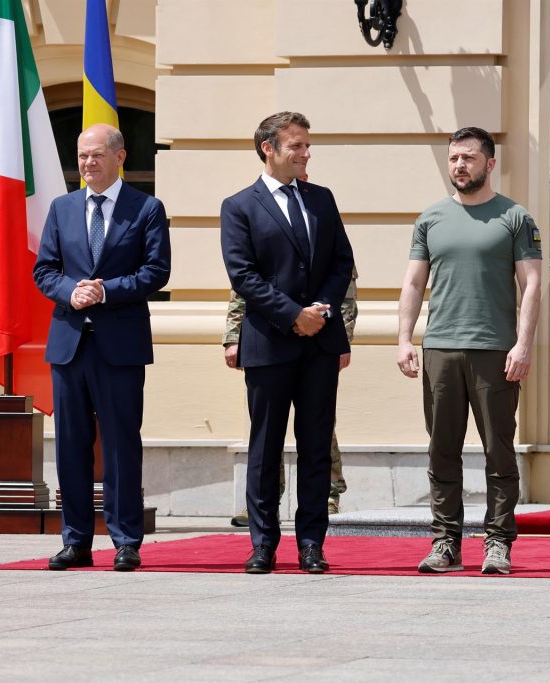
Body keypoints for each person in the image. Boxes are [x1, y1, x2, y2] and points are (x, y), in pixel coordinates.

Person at [397, 126, 542, 575]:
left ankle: (498, 542)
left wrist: (523, 344)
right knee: (442, 449)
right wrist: (404, 338)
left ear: (490, 163)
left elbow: (533, 283)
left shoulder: (515, 217)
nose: (460, 165)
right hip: (440, 348)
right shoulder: (431, 218)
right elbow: (414, 282)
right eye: (454, 158)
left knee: (498, 450)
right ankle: (445, 543)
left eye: (469, 158)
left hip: (495, 352)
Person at [33, 124, 171, 572]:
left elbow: (156, 272)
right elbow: (45, 270)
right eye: (82, 156)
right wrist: (71, 291)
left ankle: (126, 540)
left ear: (119, 157)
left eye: (95, 156)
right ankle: (75, 540)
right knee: (71, 446)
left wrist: (105, 291)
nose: (87, 164)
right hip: (70, 345)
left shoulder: (146, 208)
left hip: (120, 346)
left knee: (120, 446)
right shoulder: (63, 208)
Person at [220, 111, 354, 574]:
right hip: (269, 343)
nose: (305, 152)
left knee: (315, 445)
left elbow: (341, 262)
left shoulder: (322, 198)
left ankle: (312, 543)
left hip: (319, 340)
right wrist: (291, 315)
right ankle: (263, 544)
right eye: (296, 145)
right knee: (265, 447)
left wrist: (320, 311)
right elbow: (243, 275)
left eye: (305, 145)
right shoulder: (239, 205)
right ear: (269, 149)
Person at [224, 265, 358, 525]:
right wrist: (233, 335)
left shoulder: (326, 230)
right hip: (269, 339)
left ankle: (328, 496)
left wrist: (343, 339)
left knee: (318, 425)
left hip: (320, 340)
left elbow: (345, 291)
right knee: (266, 426)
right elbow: (244, 285)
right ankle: (265, 500)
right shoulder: (262, 228)